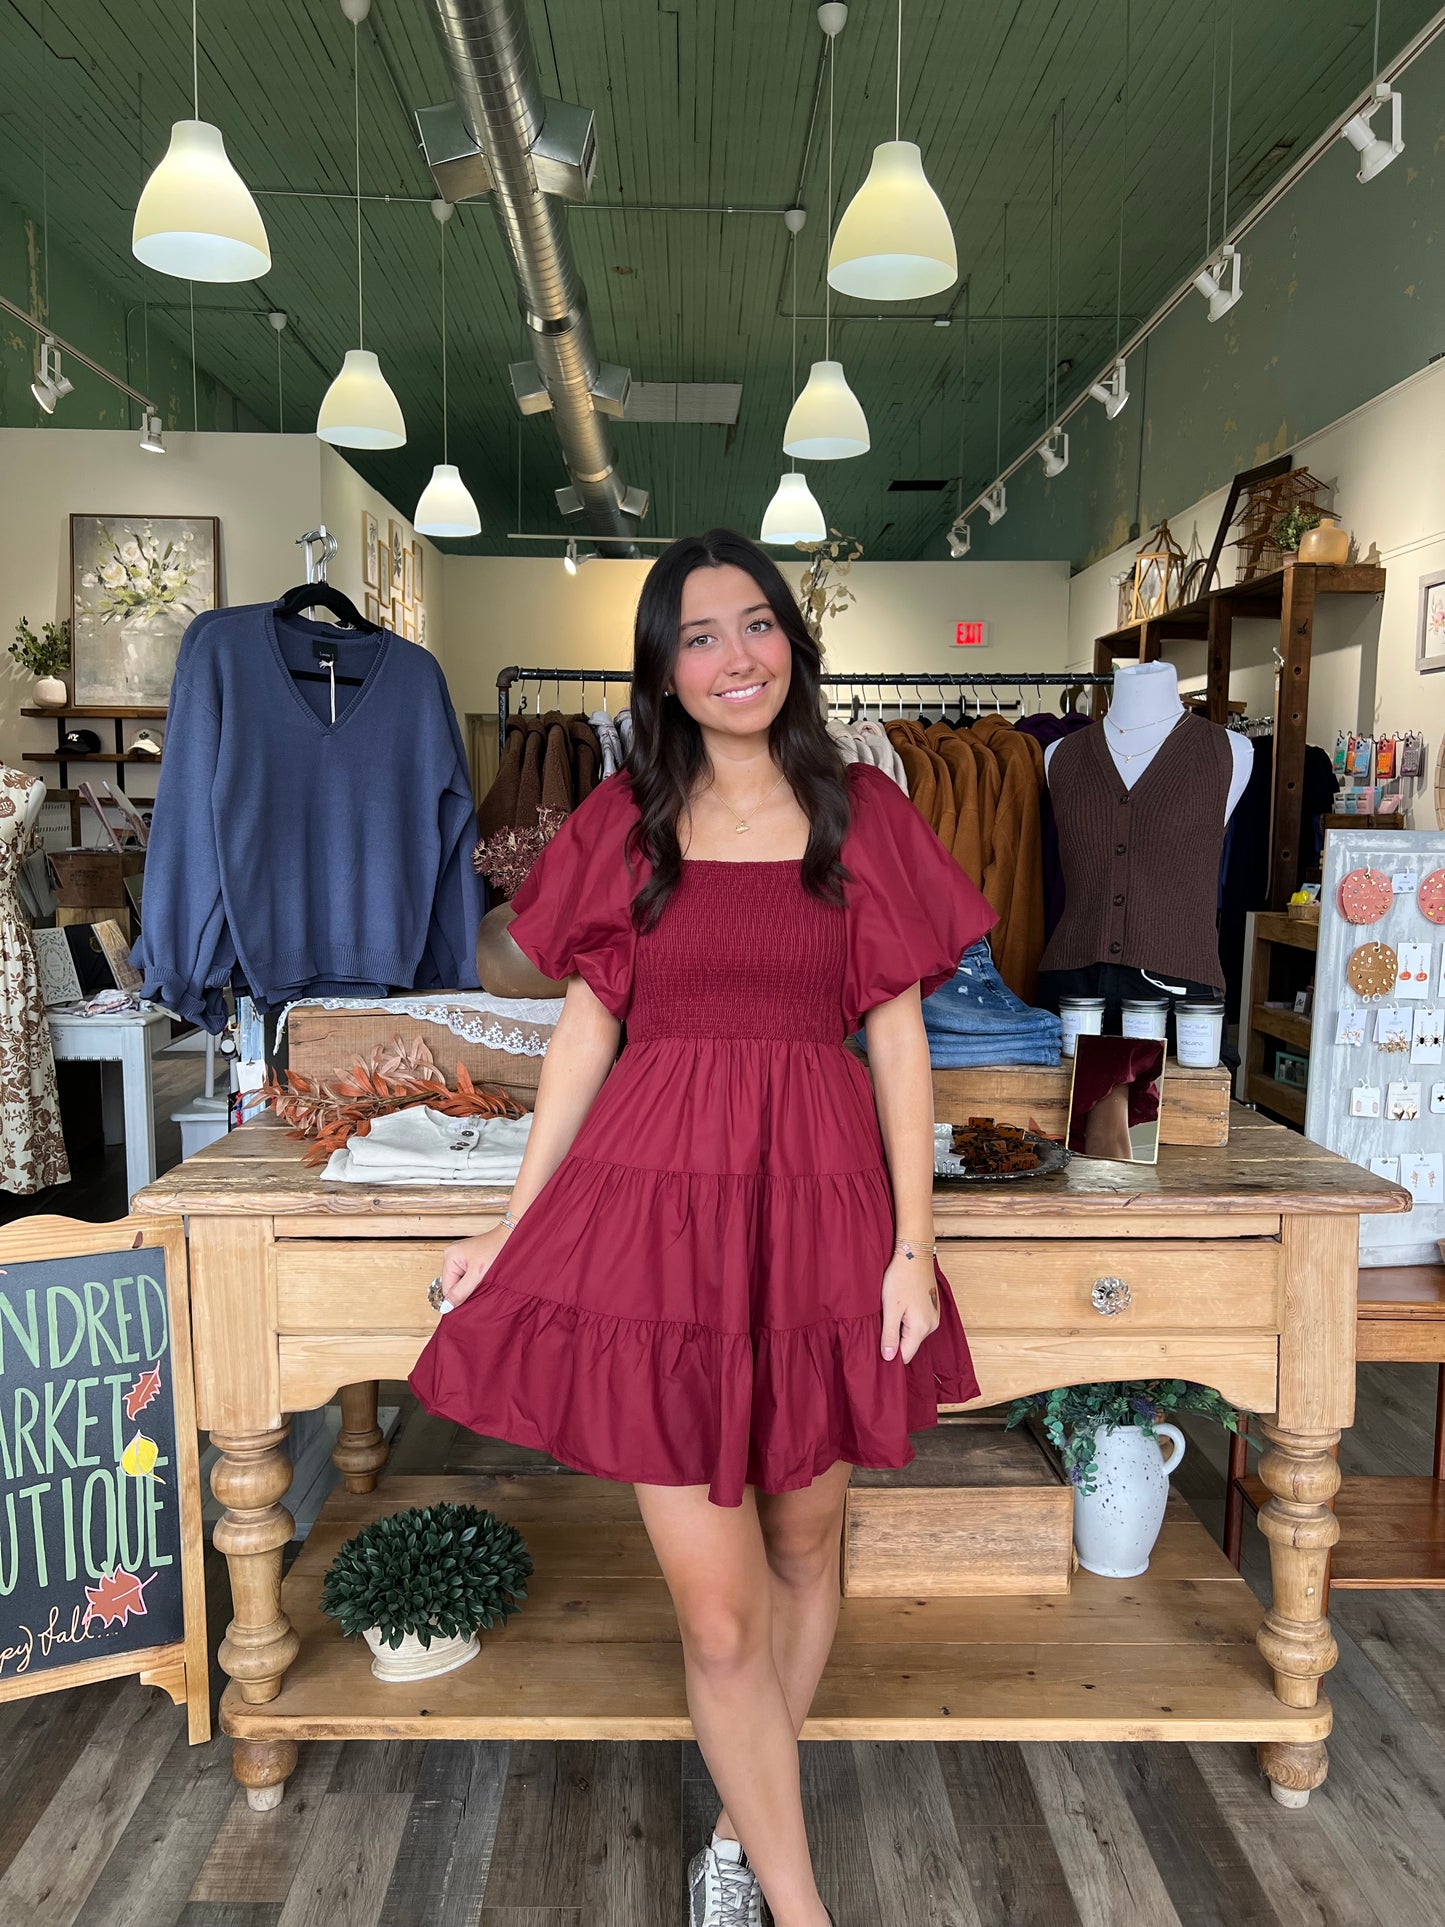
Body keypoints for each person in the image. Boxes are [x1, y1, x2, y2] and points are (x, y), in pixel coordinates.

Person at [409, 528, 996, 1927]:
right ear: (664, 674)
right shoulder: (622, 816)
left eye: (754, 625)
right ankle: (803, 1910)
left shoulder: (865, 810)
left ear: (791, 640)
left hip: (822, 1208)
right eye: (699, 636)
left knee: (804, 1552)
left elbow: (900, 1035)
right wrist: (513, 1222)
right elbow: (584, 1026)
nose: (733, 657)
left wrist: (913, 1246)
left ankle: (739, 1835)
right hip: (651, 1212)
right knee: (718, 1610)